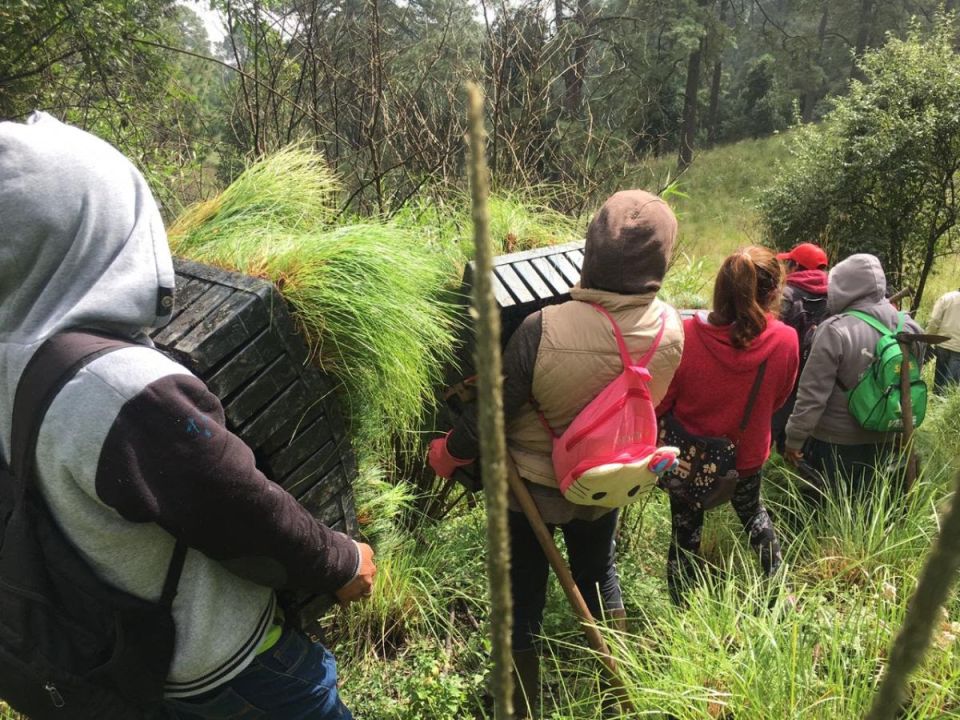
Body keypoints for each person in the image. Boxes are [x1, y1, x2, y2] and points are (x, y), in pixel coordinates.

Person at [0, 113, 375, 718]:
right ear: (94, 229)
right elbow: (240, 510)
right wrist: (341, 560)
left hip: (122, 661)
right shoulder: (117, 386)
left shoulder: (13, 358)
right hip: (222, 674)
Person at [429, 190, 684, 717]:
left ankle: (519, 705)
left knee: (523, 595)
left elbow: (491, 418)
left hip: (533, 493)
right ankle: (618, 686)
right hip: (608, 480)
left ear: (592, 252)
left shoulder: (543, 329)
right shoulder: (670, 329)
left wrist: (449, 453)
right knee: (599, 573)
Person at [656, 246, 798, 605]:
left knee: (684, 534)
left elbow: (665, 400)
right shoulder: (785, 340)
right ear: (773, 292)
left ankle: (681, 610)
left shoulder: (687, 333)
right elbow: (779, 399)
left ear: (720, 288)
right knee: (754, 516)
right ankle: (781, 596)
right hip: (745, 455)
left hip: (689, 457)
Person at [783, 254, 923, 503]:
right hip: (887, 436)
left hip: (834, 443)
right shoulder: (909, 327)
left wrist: (794, 439)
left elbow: (812, 396)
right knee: (871, 506)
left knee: (826, 510)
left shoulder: (835, 329)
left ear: (842, 286)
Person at [771, 243, 830, 453]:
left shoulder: (785, 293)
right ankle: (792, 460)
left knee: (773, 416)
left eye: (789, 263)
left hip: (783, 368)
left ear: (796, 266)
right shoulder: (834, 295)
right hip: (817, 369)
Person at [927, 287, 960, 393]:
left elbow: (934, 320)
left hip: (942, 344)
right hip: (958, 349)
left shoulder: (946, 298)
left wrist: (928, 339)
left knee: (939, 380)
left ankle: (934, 400)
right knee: (950, 386)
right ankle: (945, 408)